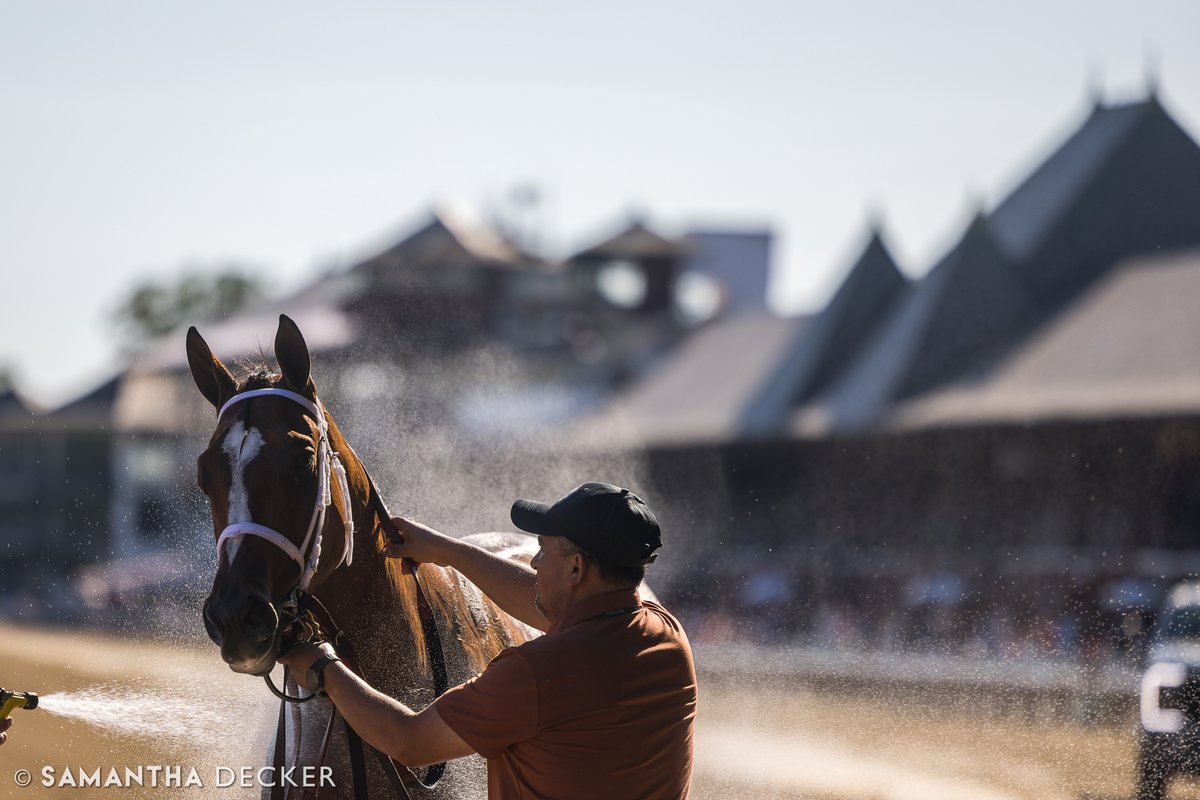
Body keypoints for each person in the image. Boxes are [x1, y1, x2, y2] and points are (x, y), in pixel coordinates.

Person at [281, 482, 697, 799]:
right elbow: (552, 607)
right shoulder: (668, 639)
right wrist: (451, 552)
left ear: (575, 568)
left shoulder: (534, 674)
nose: (533, 562)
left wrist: (323, 667)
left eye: (542, 550)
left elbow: (408, 741)